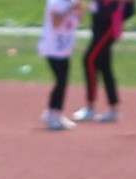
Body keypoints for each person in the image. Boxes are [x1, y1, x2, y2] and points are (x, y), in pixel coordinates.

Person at [76, 0, 135, 120]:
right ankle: (113, 109)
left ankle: (90, 106)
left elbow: (130, 8)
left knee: (89, 60)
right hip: (99, 23)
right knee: (104, 65)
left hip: (108, 24)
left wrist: (113, 11)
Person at [41, 0, 83, 128]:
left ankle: (56, 114)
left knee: (62, 82)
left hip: (64, 50)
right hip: (53, 50)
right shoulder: (55, 3)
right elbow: (56, 22)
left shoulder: (72, 3)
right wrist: (71, 8)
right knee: (60, 81)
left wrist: (80, 6)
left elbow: (79, 20)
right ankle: (51, 114)